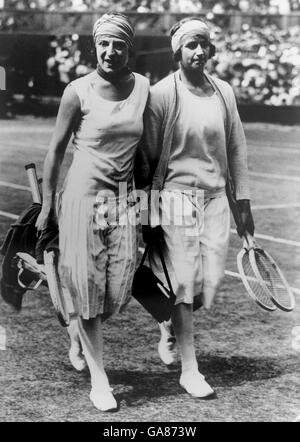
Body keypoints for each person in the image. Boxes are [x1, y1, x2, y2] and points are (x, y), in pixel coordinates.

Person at [36, 12, 149, 412]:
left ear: (129, 49)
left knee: (115, 294)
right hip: (82, 199)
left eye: (119, 44)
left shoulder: (144, 90)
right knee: (86, 292)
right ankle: (100, 380)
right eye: (104, 43)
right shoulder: (77, 91)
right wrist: (49, 203)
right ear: (95, 46)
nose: (111, 51)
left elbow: (147, 152)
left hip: (123, 201)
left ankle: (75, 331)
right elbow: (55, 150)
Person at [135, 17, 254, 399]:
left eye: (204, 43)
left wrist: (244, 203)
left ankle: (168, 324)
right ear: (178, 52)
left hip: (217, 199)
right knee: (184, 285)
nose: (199, 51)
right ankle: (191, 369)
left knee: (210, 283)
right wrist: (147, 211)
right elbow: (146, 158)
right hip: (175, 199)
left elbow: (236, 148)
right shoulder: (162, 94)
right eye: (191, 45)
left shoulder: (224, 93)